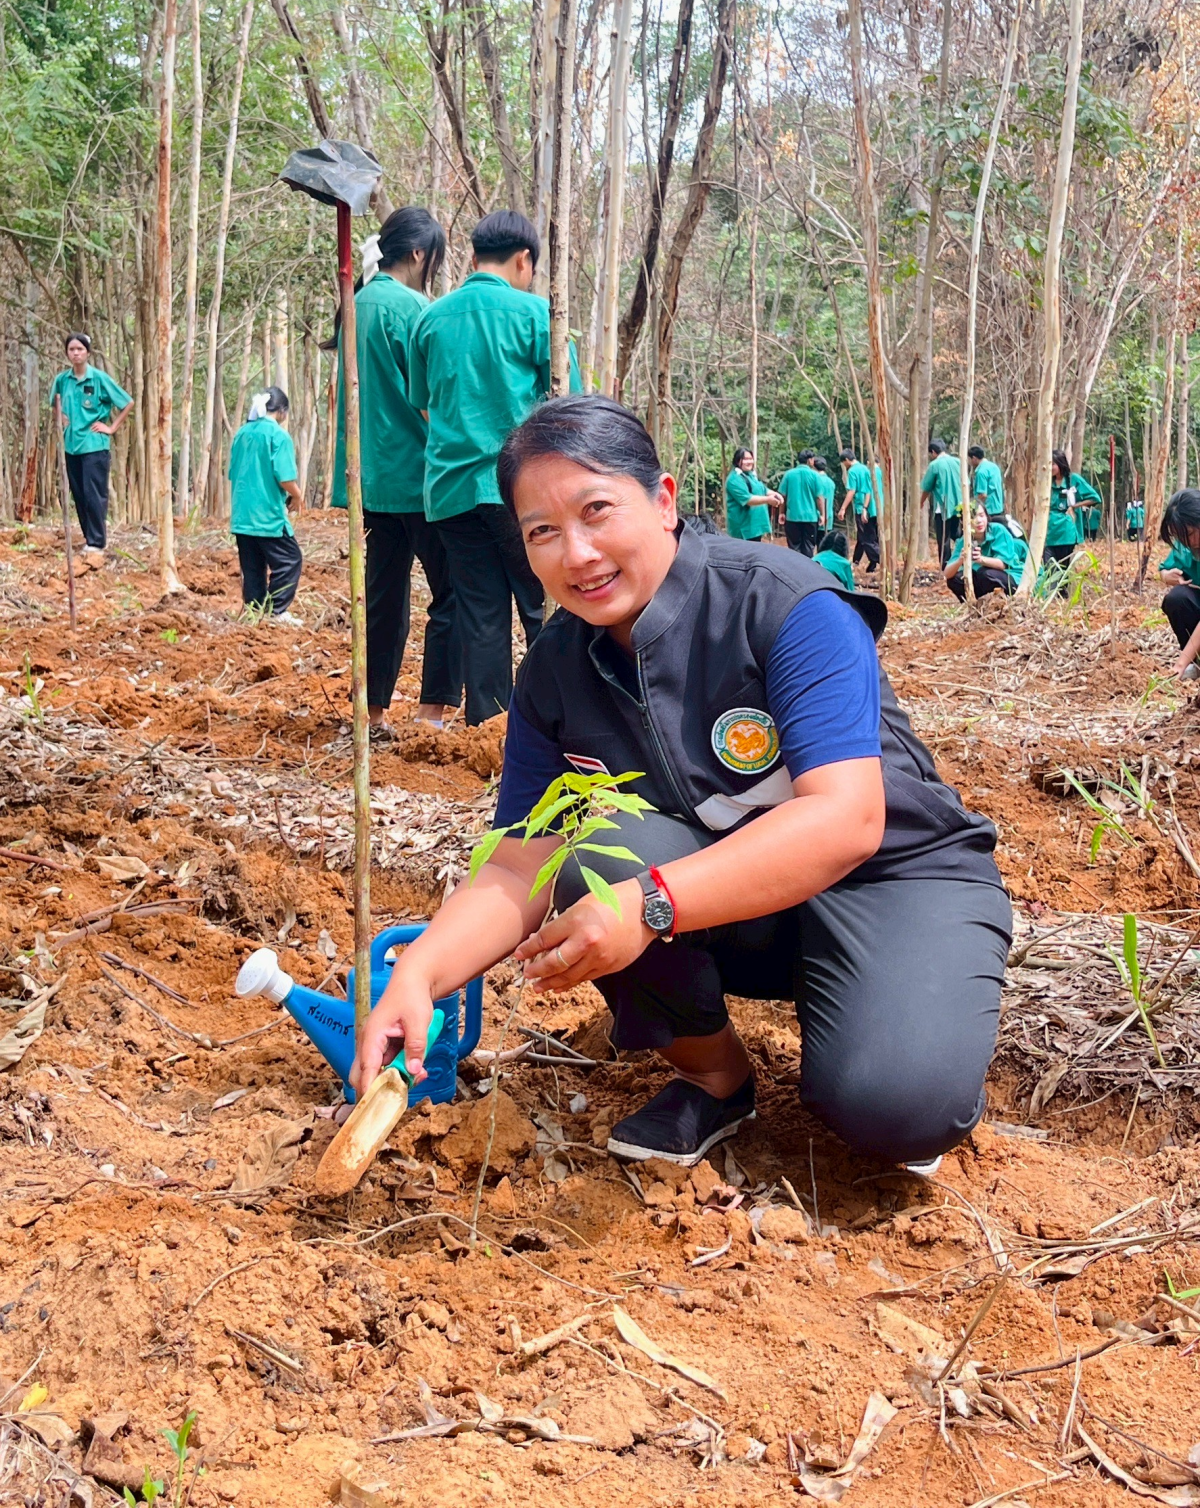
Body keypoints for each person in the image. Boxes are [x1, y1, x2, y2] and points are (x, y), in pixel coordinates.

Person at [352, 395, 1011, 1175]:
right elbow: (515, 866)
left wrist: (649, 903)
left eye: (598, 511)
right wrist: (420, 973)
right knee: (593, 853)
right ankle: (715, 1078)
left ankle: (891, 1011)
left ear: (664, 502)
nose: (579, 553)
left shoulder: (784, 603)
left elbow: (847, 819)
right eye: (543, 532)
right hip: (740, 899)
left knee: (894, 1104)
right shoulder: (555, 676)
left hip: (899, 878)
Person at [407, 210, 581, 725]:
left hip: (451, 490)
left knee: (479, 613)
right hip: (522, 491)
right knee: (540, 604)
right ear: (525, 260)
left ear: (474, 255)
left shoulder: (430, 319)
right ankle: (557, 720)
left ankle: (490, 728)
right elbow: (567, 404)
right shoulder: (537, 317)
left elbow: (425, 405)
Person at [332, 207, 461, 736]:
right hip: (421, 477)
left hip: (370, 478)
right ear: (419, 255)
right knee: (450, 592)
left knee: (382, 596)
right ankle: (432, 711)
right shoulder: (416, 309)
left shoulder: (354, 304)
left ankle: (374, 712)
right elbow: (429, 398)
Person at [48, 333, 133, 565]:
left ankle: (97, 542)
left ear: (88, 352)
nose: (76, 353)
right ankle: (89, 538)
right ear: (67, 353)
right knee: (79, 494)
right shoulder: (62, 380)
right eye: (72, 349)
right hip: (71, 445)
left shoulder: (98, 378)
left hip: (95, 445)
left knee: (94, 493)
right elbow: (54, 404)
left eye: (80, 349)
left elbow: (126, 402)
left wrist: (111, 427)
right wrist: (62, 419)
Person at [228, 387, 303, 622]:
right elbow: (285, 477)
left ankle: (253, 612)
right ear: (282, 412)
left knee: (252, 566)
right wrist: (297, 496)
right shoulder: (278, 435)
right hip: (266, 514)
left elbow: (233, 472)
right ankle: (277, 611)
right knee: (290, 560)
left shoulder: (242, 433)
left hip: (242, 514)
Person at [944, 503, 1027, 602]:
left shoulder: (998, 530)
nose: (979, 521)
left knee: (985, 574)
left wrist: (980, 559)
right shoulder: (964, 540)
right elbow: (947, 574)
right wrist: (960, 560)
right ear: (963, 521)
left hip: (1008, 576)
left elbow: (1003, 564)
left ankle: (1002, 601)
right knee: (955, 579)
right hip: (983, 579)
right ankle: (977, 603)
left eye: (981, 515)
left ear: (987, 516)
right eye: (973, 517)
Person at [1158, 489, 1200, 682]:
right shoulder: (1186, 545)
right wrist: (1168, 576)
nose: (1189, 542)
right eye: (1182, 536)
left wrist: (1181, 662)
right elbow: (1164, 570)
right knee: (1177, 599)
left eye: (1191, 533)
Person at [1044, 450, 1097, 568]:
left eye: (1053, 464)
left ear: (1060, 463)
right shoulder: (1046, 481)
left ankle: (1063, 587)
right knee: (1049, 569)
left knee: (1063, 570)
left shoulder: (1074, 480)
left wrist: (1074, 506)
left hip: (1066, 532)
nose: (1050, 467)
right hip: (1048, 532)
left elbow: (1094, 498)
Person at [920, 440, 962, 566]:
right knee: (957, 534)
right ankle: (963, 559)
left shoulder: (935, 465)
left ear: (933, 452)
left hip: (943, 507)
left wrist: (921, 502)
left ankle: (946, 566)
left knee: (944, 539)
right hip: (959, 505)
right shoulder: (958, 462)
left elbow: (927, 487)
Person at [724, 447, 781, 540]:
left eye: (750, 459)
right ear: (738, 461)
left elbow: (763, 489)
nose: (749, 461)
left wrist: (775, 494)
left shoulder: (750, 475)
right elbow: (747, 499)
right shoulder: (734, 479)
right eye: (745, 459)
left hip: (756, 527)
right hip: (744, 530)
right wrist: (768, 500)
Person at [838, 450, 879, 572]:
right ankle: (857, 561)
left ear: (846, 460)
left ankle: (882, 559)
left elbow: (851, 491)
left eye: (844, 463)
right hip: (872, 507)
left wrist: (843, 508)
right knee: (863, 537)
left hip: (861, 507)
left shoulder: (852, 471)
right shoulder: (865, 468)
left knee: (867, 538)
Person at [778, 450, 824, 555]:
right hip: (810, 518)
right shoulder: (815, 476)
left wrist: (782, 512)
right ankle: (807, 569)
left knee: (794, 547)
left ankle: (795, 569)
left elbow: (782, 496)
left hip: (792, 517)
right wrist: (822, 514)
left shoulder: (788, 475)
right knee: (808, 546)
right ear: (809, 461)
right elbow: (819, 498)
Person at [968, 444, 1005, 517]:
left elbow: (982, 495)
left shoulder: (981, 472)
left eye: (969, 459)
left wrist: (972, 505)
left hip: (988, 510)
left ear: (974, 458)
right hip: (998, 507)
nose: (969, 462)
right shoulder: (994, 467)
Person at [813, 458, 836, 531]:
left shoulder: (815, 481)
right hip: (829, 518)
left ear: (813, 467)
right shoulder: (831, 482)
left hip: (816, 518)